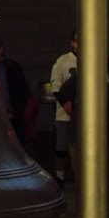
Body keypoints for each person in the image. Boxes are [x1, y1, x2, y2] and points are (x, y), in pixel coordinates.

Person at [50, 30, 77, 185]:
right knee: (62, 145)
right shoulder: (62, 61)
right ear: (72, 42)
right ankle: (59, 176)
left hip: (86, 113)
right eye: (77, 40)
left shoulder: (95, 58)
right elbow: (55, 85)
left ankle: (80, 175)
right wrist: (65, 102)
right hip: (65, 112)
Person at [0, 37, 31, 146]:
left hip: (11, 118)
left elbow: (21, 92)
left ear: (0, 49)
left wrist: (14, 112)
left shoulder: (11, 67)